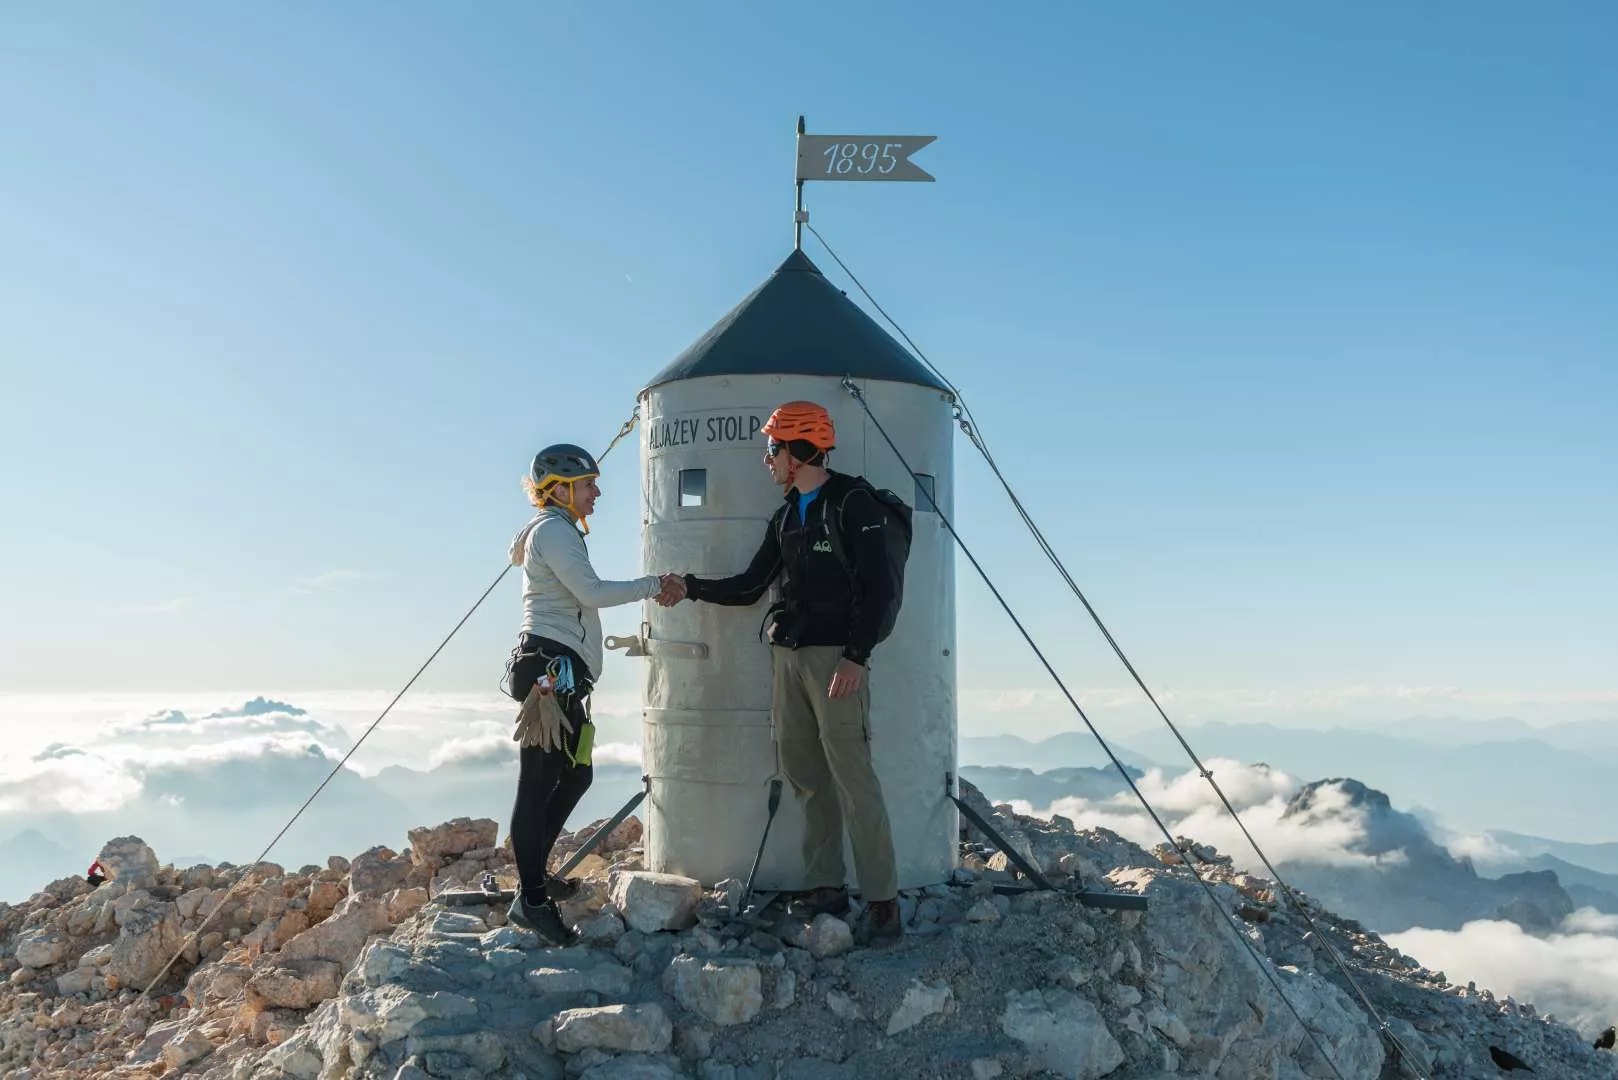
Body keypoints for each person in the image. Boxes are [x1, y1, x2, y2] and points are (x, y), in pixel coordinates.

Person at [671, 401, 904, 945]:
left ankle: (884, 902)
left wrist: (856, 656)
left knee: (854, 778)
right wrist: (690, 586)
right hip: (789, 657)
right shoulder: (787, 516)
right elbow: (751, 585)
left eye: (772, 448)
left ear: (796, 452)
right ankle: (826, 884)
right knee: (805, 774)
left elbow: (882, 590)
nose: (766, 459)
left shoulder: (852, 503)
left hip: (835, 661)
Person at [502, 442, 684, 943]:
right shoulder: (554, 534)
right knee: (538, 786)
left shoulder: (556, 531)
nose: (597, 492)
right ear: (559, 490)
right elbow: (593, 593)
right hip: (550, 675)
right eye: (588, 485)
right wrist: (654, 585)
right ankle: (533, 900)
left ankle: (534, 880)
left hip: (559, 675)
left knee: (575, 776)